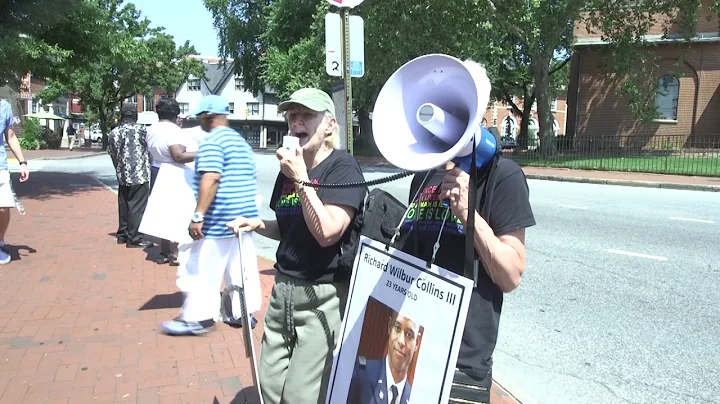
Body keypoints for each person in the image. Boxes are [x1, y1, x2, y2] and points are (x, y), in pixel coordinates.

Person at [398, 62, 535, 404]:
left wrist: (467, 214)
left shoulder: (504, 177)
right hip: (413, 342)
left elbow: (511, 274)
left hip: (462, 360)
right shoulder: (424, 176)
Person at [227, 88, 366, 404]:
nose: (297, 123)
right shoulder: (289, 167)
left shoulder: (343, 168)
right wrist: (258, 224)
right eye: (292, 116)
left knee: (301, 395)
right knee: (269, 388)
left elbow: (327, 232)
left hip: (322, 296)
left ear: (329, 124)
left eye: (307, 116)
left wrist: (302, 179)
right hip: (283, 293)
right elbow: (292, 229)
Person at [159, 95, 261, 336]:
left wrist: (198, 216)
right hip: (243, 218)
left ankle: (198, 318)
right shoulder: (241, 143)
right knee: (241, 268)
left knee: (202, 268)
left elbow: (211, 178)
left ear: (208, 116)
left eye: (200, 116)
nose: (199, 120)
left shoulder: (212, 142)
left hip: (219, 219)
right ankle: (242, 313)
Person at [145, 98, 197, 266]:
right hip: (174, 172)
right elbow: (178, 155)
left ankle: (163, 251)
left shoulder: (151, 129)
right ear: (176, 114)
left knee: (161, 212)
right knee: (176, 213)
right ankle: (175, 253)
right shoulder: (174, 131)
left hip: (156, 168)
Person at [348, 311, 420, 404]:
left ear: (417, 343)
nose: (401, 341)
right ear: (390, 327)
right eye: (397, 328)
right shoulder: (361, 374)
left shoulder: (414, 398)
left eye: (409, 335)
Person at [107, 104, 152, 249]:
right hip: (140, 174)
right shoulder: (143, 130)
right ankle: (135, 238)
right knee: (137, 207)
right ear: (135, 115)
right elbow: (150, 152)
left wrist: (118, 168)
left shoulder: (114, 132)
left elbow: (113, 154)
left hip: (123, 174)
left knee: (124, 205)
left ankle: (123, 235)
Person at [0, 99, 29, 264]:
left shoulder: (4, 106)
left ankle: (0, 241)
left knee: (3, 207)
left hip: (1, 166)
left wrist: (22, 162)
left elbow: (10, 136)